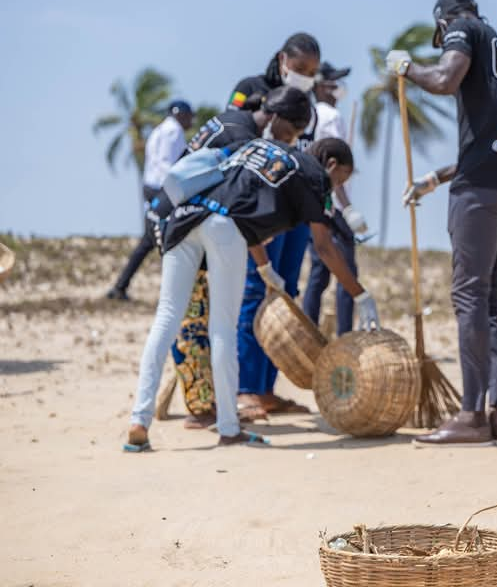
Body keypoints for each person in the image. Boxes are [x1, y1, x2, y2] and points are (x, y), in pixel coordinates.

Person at [124, 96, 380, 451]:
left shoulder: (260, 148)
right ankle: (229, 429)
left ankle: (139, 420)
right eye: (342, 178)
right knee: (223, 329)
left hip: (183, 219)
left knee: (165, 319)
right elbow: (323, 247)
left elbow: (242, 206)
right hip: (223, 228)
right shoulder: (314, 177)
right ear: (331, 163)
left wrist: (264, 267)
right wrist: (360, 295)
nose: (337, 187)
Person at [389, 0, 497, 446]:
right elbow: (495, 139)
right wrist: (436, 178)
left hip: (481, 188)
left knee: (470, 296)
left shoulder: (464, 29)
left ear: (444, 20)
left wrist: (406, 68)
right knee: (492, 299)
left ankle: (471, 414)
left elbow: (446, 79)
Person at [165, 92, 313, 429]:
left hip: (189, 224)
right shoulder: (242, 138)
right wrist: (263, 264)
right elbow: (239, 209)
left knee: (183, 321)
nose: (290, 140)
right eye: (291, 131)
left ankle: (150, 417)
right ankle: (206, 410)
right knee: (197, 323)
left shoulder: (234, 128)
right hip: (192, 229)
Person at [227, 33, 334, 418]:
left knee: (286, 296)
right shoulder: (250, 91)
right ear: (282, 60)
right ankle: (244, 388)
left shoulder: (310, 106)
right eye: (300, 68)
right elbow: (234, 142)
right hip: (260, 213)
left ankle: (268, 389)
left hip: (296, 213)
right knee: (257, 290)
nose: (305, 76)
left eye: (312, 71)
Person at [302, 61, 369, 336]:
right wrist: (348, 207)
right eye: (332, 83)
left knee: (318, 272)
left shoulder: (308, 116)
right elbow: (332, 165)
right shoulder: (330, 117)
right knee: (345, 270)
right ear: (320, 86)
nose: (337, 89)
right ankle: (345, 335)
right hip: (332, 205)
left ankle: (308, 332)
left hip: (310, 202)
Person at [106, 100, 193, 300]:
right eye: (190, 116)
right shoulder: (174, 131)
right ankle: (177, 292)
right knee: (175, 239)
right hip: (163, 190)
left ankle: (121, 286)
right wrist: (177, 192)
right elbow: (167, 164)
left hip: (151, 187)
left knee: (149, 241)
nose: (191, 121)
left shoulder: (159, 130)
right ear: (181, 114)